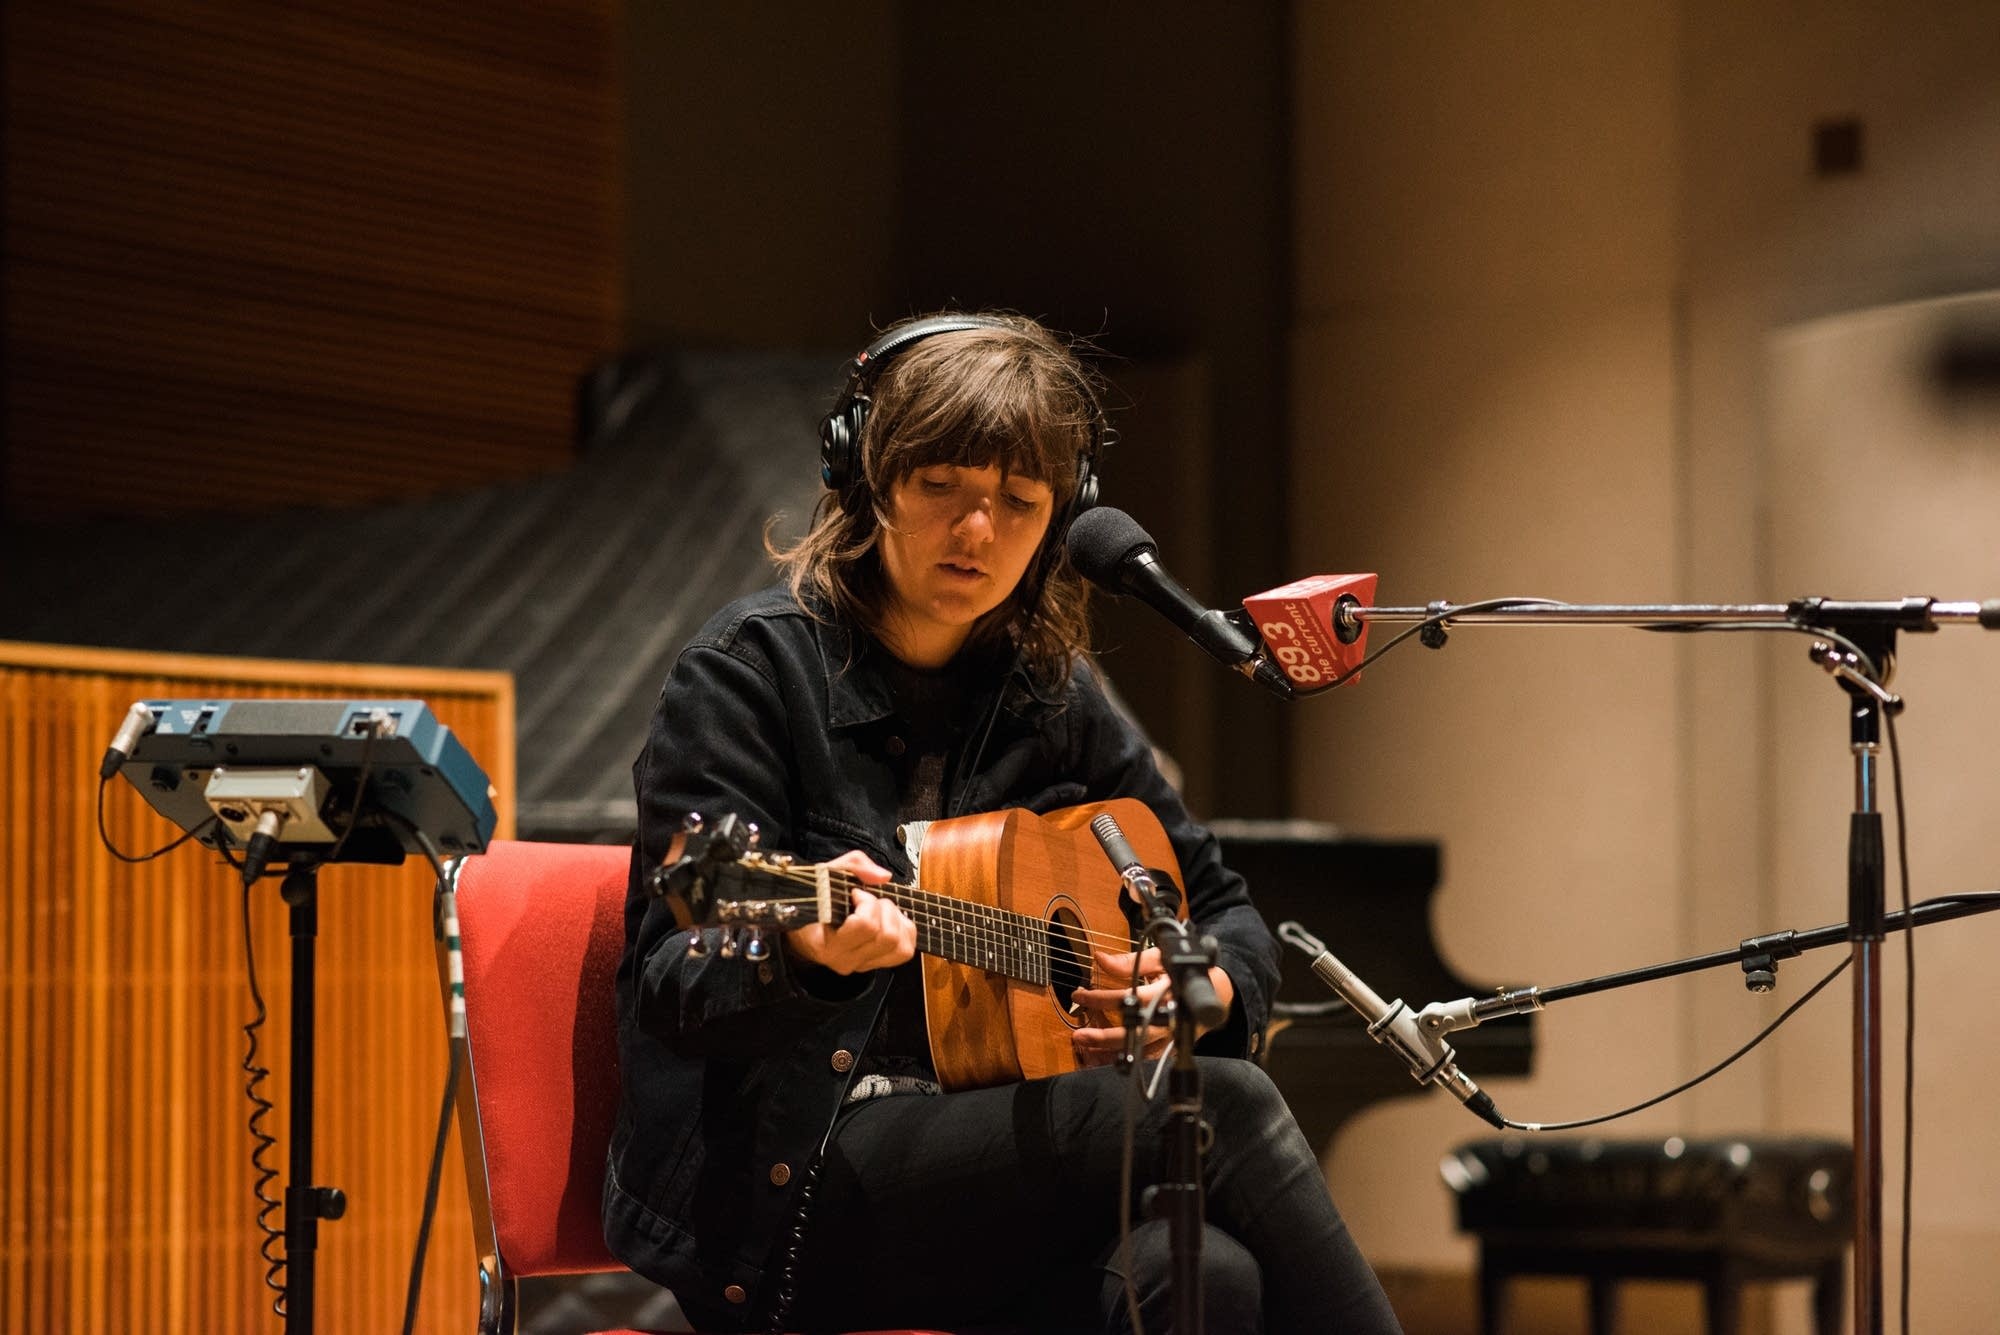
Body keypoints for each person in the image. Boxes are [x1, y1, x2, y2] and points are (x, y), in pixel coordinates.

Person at [605, 312, 1402, 1335]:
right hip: (788, 1190)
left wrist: (1193, 987)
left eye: (1017, 502)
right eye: (941, 486)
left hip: (990, 1180)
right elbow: (676, 978)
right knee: (1228, 1104)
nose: (977, 532)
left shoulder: (1047, 694)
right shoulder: (746, 675)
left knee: (1206, 1277)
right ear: (869, 472)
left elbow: (1226, 911)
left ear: (1062, 519)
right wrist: (804, 958)